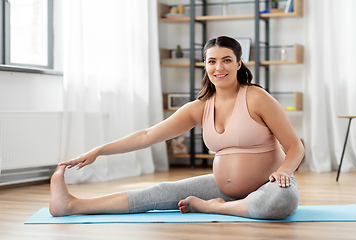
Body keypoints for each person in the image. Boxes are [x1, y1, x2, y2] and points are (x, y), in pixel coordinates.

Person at [50, 36, 304, 219]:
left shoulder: (257, 98)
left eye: (227, 60)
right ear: (204, 65)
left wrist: (284, 171)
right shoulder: (199, 107)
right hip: (222, 188)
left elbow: (295, 147)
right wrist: (99, 150)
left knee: (280, 201)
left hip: (268, 185)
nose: (219, 67)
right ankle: (72, 205)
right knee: (160, 192)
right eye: (212, 61)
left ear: (239, 64)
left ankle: (212, 208)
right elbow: (147, 136)